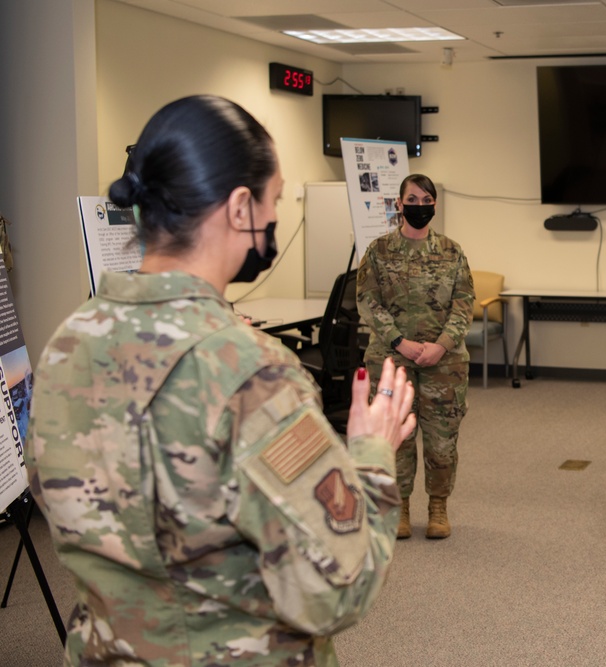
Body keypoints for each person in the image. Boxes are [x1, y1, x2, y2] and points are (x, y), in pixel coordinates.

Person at [25, 95, 416, 667]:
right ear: (240, 208)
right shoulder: (250, 371)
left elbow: (58, 499)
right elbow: (337, 589)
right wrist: (372, 456)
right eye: (274, 200)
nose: (276, 216)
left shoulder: (68, 341)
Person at [356, 173, 474, 540]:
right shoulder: (378, 251)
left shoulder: (452, 251)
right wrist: (399, 342)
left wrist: (441, 344)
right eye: (412, 199)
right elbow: (367, 301)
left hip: (445, 362)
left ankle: (438, 506)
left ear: (434, 206)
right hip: (393, 361)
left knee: (442, 439)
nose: (419, 206)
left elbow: (464, 303)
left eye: (426, 200)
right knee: (398, 437)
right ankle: (401, 507)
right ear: (398, 204)